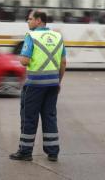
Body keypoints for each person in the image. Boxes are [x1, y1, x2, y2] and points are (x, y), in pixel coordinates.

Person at [9, 10, 66, 162]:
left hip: (34, 85)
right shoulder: (58, 36)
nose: (28, 22)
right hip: (52, 84)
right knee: (49, 116)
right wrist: (58, 82)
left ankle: (25, 152)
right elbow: (63, 63)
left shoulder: (31, 36)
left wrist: (22, 56)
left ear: (39, 21)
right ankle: (53, 152)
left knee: (29, 117)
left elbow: (24, 61)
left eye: (30, 19)